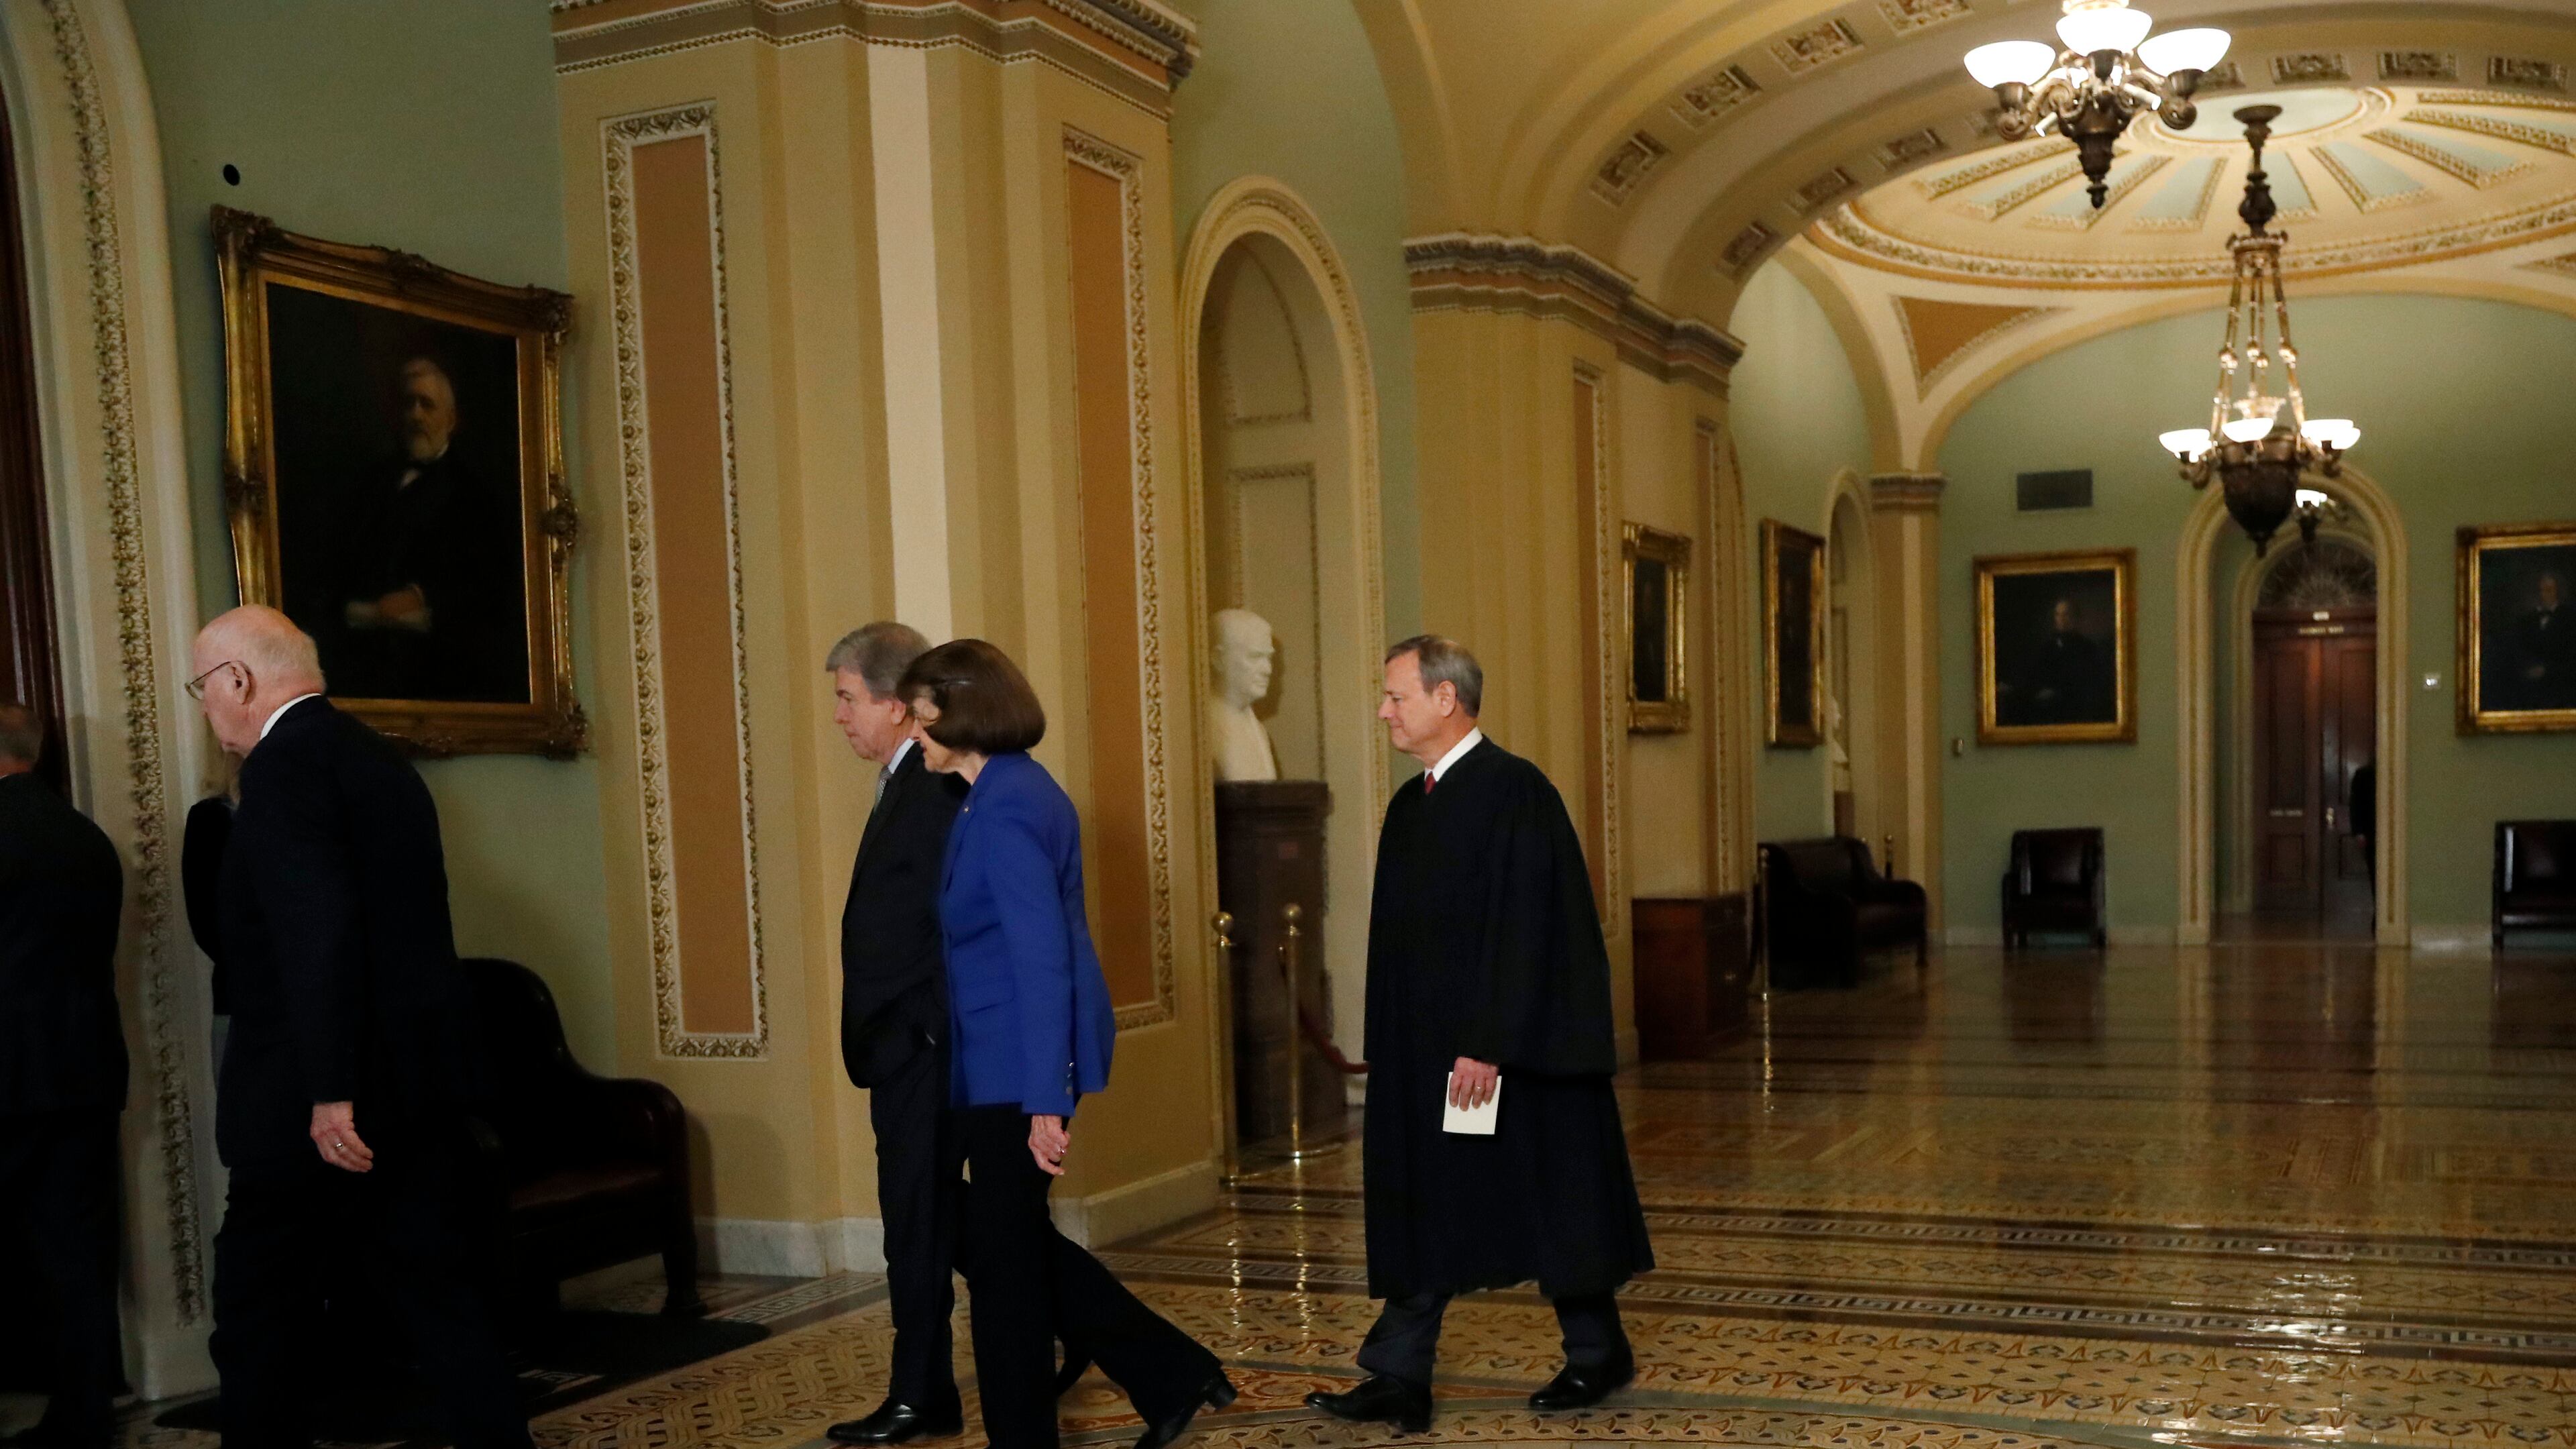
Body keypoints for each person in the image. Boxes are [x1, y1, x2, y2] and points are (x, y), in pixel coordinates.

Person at [187, 605, 531, 1449]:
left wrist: (330, 1090)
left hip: (317, 1096)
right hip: (411, 1079)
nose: (204, 707)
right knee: (433, 1286)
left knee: (258, 1302)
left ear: (239, 680)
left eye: (202, 688)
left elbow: (319, 931)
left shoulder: (284, 768)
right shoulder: (375, 757)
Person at [1307, 636, 1652, 1436]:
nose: (1385, 710)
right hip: (1427, 1054)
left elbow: (1530, 925)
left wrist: (1489, 1042)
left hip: (1506, 1054)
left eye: (1396, 696)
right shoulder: (1410, 803)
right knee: (1430, 1199)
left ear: (1444, 700)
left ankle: (1598, 1353)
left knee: (1550, 1198)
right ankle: (1400, 1373)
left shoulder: (1514, 791)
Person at [898, 639, 1234, 1449]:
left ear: (964, 708)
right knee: (1001, 1244)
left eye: (922, 713)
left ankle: (1037, 1434)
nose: (912, 731)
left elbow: (1041, 959)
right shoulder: (992, 793)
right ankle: (1171, 1372)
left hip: (1020, 1062)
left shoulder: (1010, 801)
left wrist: (1047, 1098)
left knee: (1006, 1267)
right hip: (1000, 1059)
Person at [820, 623, 1089, 1444]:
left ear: (932, 711)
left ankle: (985, 1416)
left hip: (971, 1059)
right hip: (958, 1054)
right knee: (986, 1246)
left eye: (846, 697)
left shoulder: (987, 800)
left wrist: (1041, 1092)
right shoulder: (973, 790)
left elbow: (1024, 954)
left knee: (978, 1254)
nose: (840, 715)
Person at [0, 703, 127, 1449]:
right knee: (76, 1254)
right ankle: (84, 1417)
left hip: (8, 1077)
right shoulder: (87, 837)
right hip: (84, 1071)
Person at [319, 356, 524, 703]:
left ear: (451, 419)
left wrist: (419, 595)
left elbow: (487, 583)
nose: (416, 415)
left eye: (427, 405)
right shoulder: (370, 484)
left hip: (439, 672)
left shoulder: (476, 496)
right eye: (409, 404)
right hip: (362, 668)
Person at [2008, 596, 2110, 726]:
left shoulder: (2088, 648)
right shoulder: (2047, 646)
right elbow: (2035, 674)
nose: (2061, 619)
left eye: (2066, 614)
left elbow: (2087, 684)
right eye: (2058, 614)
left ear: (2076, 619)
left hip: (2074, 709)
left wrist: (2057, 692)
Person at [1205, 608, 1280, 782]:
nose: (1267, 670)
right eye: (1255, 657)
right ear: (1218, 659)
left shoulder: (1258, 730)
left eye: (1268, 658)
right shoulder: (1201, 728)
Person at [2497, 570, 2573, 712]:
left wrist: (2547, 670)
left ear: (2558, 592)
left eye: (2549, 590)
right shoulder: (2527, 620)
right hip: (2530, 691)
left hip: (2560, 690)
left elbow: (2570, 657)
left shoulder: (2569, 619)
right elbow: (2519, 650)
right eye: (2542, 591)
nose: (2545, 595)